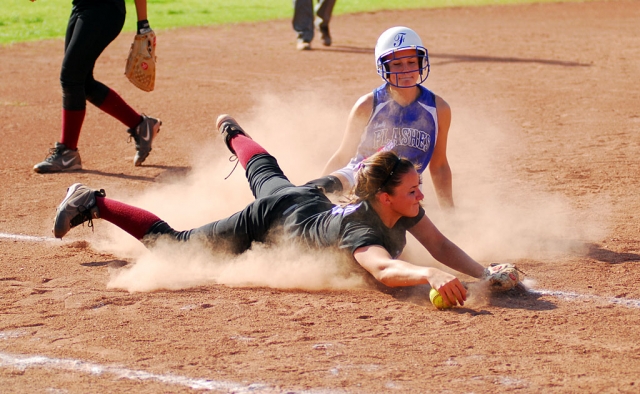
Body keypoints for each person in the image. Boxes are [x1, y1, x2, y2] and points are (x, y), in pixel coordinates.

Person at [52, 115, 496, 307]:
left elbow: (439, 244)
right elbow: (383, 269)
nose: (421, 196)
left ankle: (233, 134)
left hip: (307, 203)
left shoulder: (401, 207)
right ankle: (93, 201)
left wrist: (485, 274)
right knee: (175, 246)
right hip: (271, 220)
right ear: (384, 196)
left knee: (267, 170)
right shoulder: (364, 231)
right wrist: (429, 275)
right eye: (414, 190)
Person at [310, 26, 454, 210]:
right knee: (320, 193)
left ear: (421, 62)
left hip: (406, 188)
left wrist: (450, 213)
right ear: (384, 67)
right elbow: (343, 155)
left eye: (411, 62)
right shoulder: (367, 105)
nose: (405, 70)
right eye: (396, 64)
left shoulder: (438, 109)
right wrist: (318, 198)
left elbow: (439, 165)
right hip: (360, 177)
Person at [31, 0, 162, 173]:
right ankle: (140, 125)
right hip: (82, 7)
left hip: (104, 10)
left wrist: (143, 22)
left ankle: (68, 152)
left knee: (71, 77)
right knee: (82, 82)